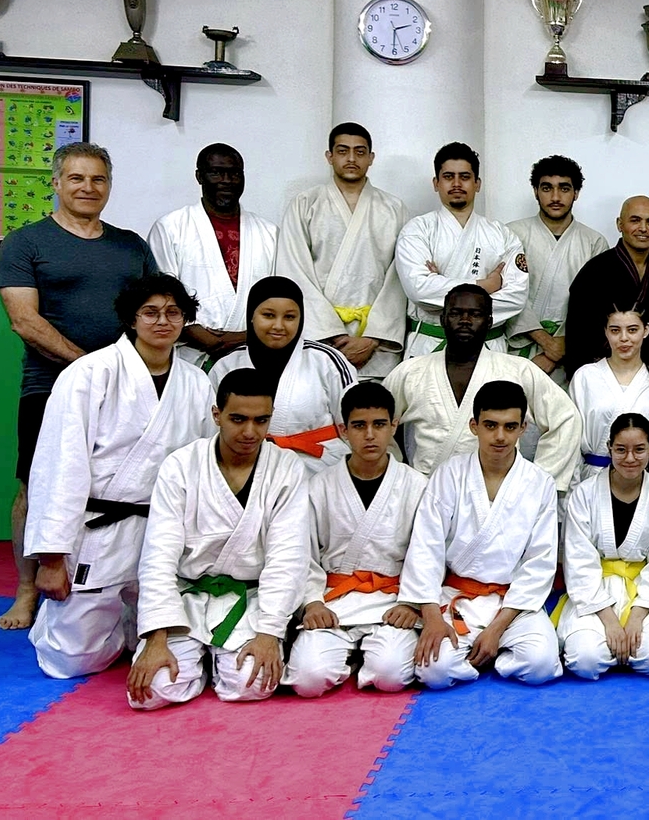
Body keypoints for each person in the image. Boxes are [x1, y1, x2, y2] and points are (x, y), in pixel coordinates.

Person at [0, 141, 157, 630]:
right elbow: (25, 321)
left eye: (98, 179)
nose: (88, 187)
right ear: (57, 183)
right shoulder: (25, 242)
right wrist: (91, 368)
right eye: (77, 178)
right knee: (36, 486)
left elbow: (153, 310)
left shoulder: (130, 246)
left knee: (124, 483)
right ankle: (26, 589)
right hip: (50, 385)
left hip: (127, 389)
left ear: (109, 185)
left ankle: (122, 581)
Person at [24, 276, 213, 679]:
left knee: (185, 645)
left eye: (173, 312)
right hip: (99, 531)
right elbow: (59, 465)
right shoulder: (90, 373)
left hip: (163, 533)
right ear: (131, 319)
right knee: (71, 661)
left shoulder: (196, 382)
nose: (162, 321)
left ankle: (131, 624)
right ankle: (68, 623)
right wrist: (51, 557)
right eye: (150, 312)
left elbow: (203, 466)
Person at [126, 368, 311, 709]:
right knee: (152, 692)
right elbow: (158, 554)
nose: (250, 432)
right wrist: (156, 636)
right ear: (217, 415)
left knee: (252, 684)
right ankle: (200, 661)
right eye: (238, 419)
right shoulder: (181, 465)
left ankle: (216, 660)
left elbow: (288, 557)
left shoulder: (286, 468)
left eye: (261, 420)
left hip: (250, 600)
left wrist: (269, 633)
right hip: (188, 598)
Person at [397, 380, 563, 688]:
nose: (500, 436)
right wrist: (432, 618)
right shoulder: (449, 474)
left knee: (540, 665)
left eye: (510, 427)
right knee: (435, 672)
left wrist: (497, 630)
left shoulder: (540, 483)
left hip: (512, 604)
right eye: (490, 425)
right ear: (474, 426)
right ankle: (479, 656)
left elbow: (539, 562)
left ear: (523, 428)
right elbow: (426, 547)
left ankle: (488, 654)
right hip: (458, 597)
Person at [283, 382, 429, 697]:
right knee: (307, 680)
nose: (370, 435)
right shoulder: (318, 486)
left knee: (390, 676)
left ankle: (367, 657)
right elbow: (300, 553)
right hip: (334, 600)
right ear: (343, 430)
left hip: (393, 601)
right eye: (359, 426)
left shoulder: (418, 486)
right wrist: (311, 602)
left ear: (394, 426)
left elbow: (428, 554)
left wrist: (412, 602)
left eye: (379, 424)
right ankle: (350, 660)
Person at [383, 285, 580, 488]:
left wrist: (541, 481)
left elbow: (566, 417)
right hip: (428, 491)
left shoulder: (518, 370)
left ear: (489, 322)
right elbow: (376, 422)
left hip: (496, 493)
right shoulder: (411, 372)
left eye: (475, 314)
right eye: (456, 313)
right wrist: (397, 477)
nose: (465, 320)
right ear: (442, 320)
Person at [275, 122, 409, 378]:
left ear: (371, 158)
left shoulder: (394, 209)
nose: (351, 159)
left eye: (360, 152)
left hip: (376, 344)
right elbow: (294, 270)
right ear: (329, 156)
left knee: (373, 403)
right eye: (342, 151)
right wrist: (332, 334)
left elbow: (399, 280)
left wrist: (372, 337)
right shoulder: (305, 204)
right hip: (320, 338)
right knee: (319, 398)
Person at [556, 413, 649, 680]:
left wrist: (637, 616)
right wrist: (609, 620)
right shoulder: (584, 494)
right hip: (595, 591)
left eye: (639, 449)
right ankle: (606, 640)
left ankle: (625, 642)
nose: (630, 458)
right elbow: (579, 561)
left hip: (644, 592)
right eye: (621, 449)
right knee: (585, 660)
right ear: (609, 447)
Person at [209, 277, 357, 475]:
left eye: (289, 317)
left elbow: (356, 424)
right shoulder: (226, 366)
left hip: (320, 472)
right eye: (268, 315)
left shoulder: (327, 361)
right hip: (248, 471)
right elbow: (214, 432)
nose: (278, 326)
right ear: (251, 316)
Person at [147, 143, 278, 367]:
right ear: (199, 176)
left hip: (253, 353)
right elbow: (162, 294)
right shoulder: (170, 228)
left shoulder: (269, 233)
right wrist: (196, 332)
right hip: (189, 355)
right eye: (216, 172)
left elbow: (279, 297)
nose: (226, 180)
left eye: (234, 173)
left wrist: (246, 336)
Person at [395, 142, 527, 360]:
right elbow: (419, 289)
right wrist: (484, 286)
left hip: (489, 347)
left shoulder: (503, 235)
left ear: (477, 184)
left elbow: (516, 297)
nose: (456, 184)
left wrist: (440, 287)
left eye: (465, 177)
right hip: (431, 345)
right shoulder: (417, 230)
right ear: (436, 183)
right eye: (448, 177)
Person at [505, 155, 608, 379]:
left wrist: (559, 347)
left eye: (564, 188)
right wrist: (544, 340)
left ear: (576, 193)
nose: (555, 197)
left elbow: (595, 305)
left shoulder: (594, 242)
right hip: (520, 346)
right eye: (546, 188)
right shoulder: (511, 234)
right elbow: (505, 293)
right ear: (535, 191)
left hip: (571, 350)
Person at [568, 308, 649, 490]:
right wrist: (573, 489)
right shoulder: (585, 377)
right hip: (593, 481)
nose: (624, 338)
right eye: (615, 330)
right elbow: (569, 440)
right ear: (605, 331)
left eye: (632, 330)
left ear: (646, 330)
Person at [564, 196, 649, 373]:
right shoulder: (595, 270)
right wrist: (581, 374)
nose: (643, 228)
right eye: (635, 220)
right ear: (619, 224)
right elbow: (578, 332)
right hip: (602, 370)